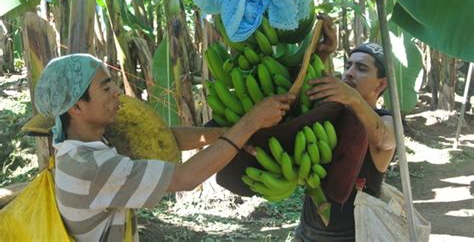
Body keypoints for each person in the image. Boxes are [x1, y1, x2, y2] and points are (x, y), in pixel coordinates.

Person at [34, 53, 295, 242]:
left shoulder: (81, 145)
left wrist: (223, 134)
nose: (116, 92)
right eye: (105, 88)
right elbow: (185, 178)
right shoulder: (91, 169)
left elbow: (161, 139)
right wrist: (250, 123)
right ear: (77, 108)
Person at [295, 27, 397, 241]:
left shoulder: (385, 120)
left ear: (382, 83)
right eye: (348, 65)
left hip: (353, 235)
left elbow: (385, 139)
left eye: (361, 68)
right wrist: (322, 53)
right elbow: (300, 91)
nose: (349, 72)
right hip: (306, 232)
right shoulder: (331, 110)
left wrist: (353, 98)